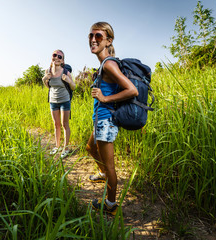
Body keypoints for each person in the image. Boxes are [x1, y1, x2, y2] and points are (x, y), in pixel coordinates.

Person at [86, 22, 138, 215]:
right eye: (90, 36)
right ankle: (103, 174)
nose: (93, 39)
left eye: (98, 36)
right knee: (90, 148)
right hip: (99, 119)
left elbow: (131, 90)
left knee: (110, 166)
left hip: (106, 121)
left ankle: (110, 204)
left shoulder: (108, 63)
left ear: (108, 40)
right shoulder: (104, 66)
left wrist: (105, 98)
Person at [42, 50, 76, 158]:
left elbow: (74, 87)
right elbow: (49, 86)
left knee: (64, 124)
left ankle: (66, 148)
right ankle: (57, 146)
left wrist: (69, 81)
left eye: (59, 56)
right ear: (51, 57)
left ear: (62, 60)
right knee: (56, 125)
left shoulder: (66, 72)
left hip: (65, 101)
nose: (56, 57)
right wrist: (44, 79)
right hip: (53, 101)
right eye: (54, 55)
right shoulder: (48, 71)